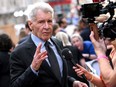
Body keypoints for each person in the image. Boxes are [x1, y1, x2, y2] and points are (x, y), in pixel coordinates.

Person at [10, 2, 88, 87]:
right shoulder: (19, 52)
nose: (47, 26)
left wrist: (73, 82)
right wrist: (33, 69)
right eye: (41, 22)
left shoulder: (57, 43)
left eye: (49, 21)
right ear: (30, 24)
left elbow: (58, 75)